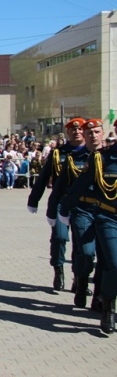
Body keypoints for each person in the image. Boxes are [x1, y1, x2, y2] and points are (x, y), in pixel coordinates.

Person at [59, 119, 117, 334]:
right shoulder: (103, 159)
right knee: (113, 263)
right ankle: (109, 306)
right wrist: (63, 210)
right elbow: (79, 187)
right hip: (109, 218)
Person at [48, 119, 104, 308]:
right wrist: (53, 208)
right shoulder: (70, 156)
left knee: (106, 257)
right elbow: (62, 185)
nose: (82, 133)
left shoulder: (107, 155)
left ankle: (100, 296)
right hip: (78, 207)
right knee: (75, 245)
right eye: (76, 130)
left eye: (95, 132)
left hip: (105, 212)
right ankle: (75, 278)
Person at [27, 118, 87, 290]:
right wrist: (33, 200)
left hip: (83, 204)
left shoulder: (92, 154)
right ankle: (58, 269)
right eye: (73, 130)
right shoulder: (58, 153)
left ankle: (78, 277)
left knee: (81, 244)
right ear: (67, 133)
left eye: (79, 129)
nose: (77, 132)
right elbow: (44, 177)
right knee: (60, 237)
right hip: (61, 202)